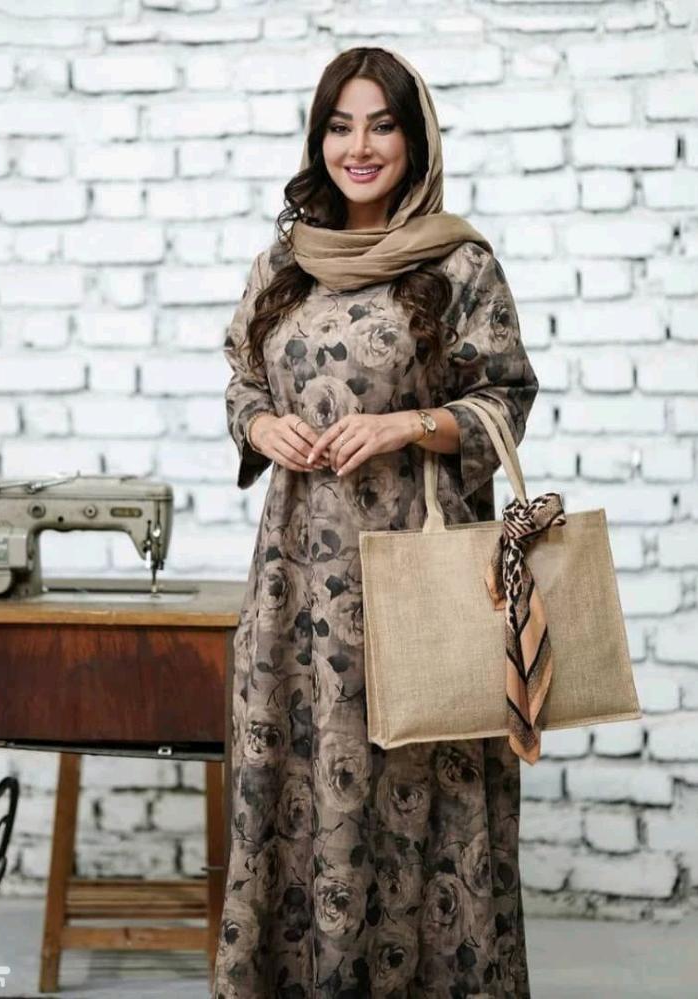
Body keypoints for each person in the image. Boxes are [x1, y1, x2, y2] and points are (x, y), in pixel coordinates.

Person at [213, 46, 538, 999]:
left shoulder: (457, 261)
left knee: (415, 784)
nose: (359, 146)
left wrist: (407, 424)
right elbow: (241, 379)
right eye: (340, 125)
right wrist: (260, 425)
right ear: (318, 139)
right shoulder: (284, 264)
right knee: (293, 776)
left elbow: (506, 397)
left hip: (415, 575)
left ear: (415, 138)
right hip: (294, 582)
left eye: (382, 124)